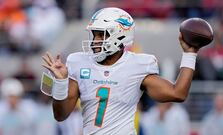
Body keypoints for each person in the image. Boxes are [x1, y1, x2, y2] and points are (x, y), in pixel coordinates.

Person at [41, 7, 199, 134]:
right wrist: (61, 83)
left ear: (119, 36)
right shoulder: (78, 62)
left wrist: (190, 54)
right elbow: (60, 115)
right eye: (94, 35)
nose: (94, 41)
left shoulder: (138, 65)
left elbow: (178, 93)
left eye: (101, 35)